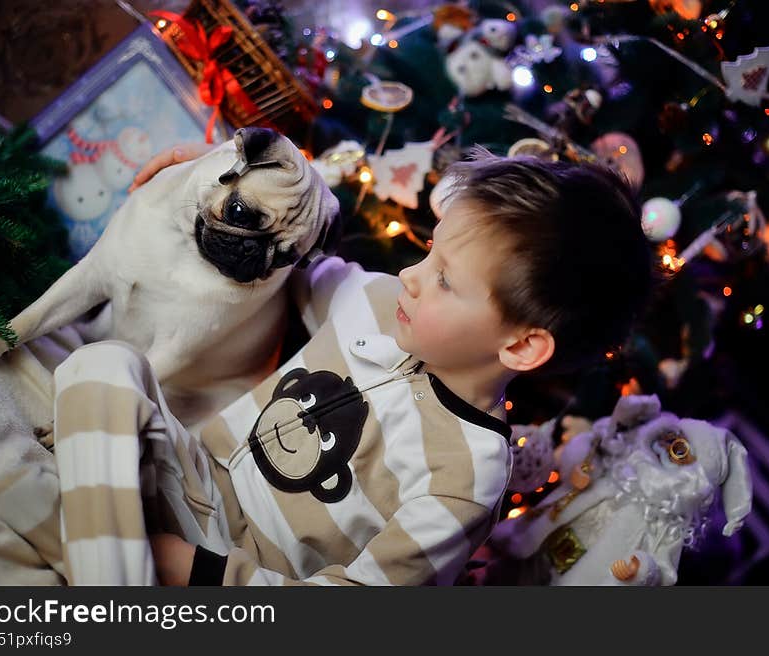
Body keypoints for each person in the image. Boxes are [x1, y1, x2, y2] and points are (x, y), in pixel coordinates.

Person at [53, 143, 653, 586]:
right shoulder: (377, 303)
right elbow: (296, 257)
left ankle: (106, 566)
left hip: (241, 572)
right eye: (428, 253)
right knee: (102, 365)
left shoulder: (464, 482)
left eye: (445, 280)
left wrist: (193, 569)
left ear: (520, 346)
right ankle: (110, 564)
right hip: (194, 475)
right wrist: (204, 176)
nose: (413, 278)